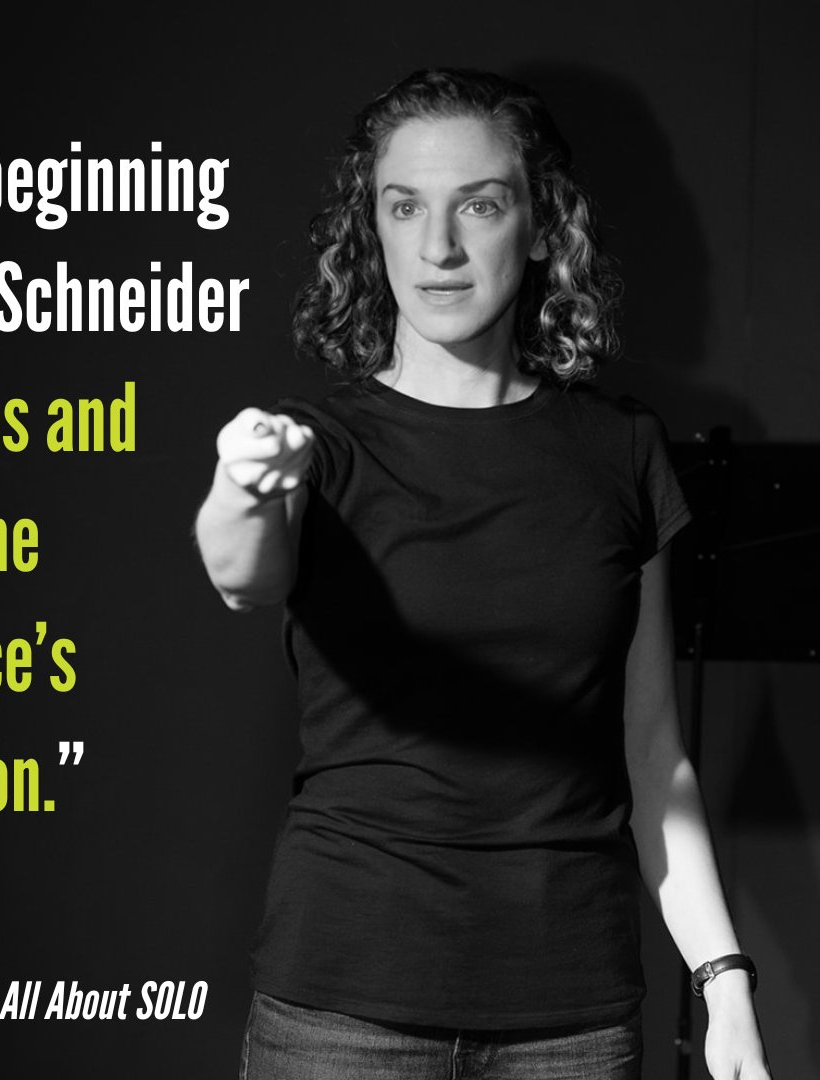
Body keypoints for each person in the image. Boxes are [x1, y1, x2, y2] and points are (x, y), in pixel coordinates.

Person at [195, 68, 770, 1080]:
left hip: (573, 1023)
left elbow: (651, 752)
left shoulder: (622, 453)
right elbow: (242, 574)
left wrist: (725, 985)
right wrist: (244, 484)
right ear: (369, 228)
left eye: (480, 205)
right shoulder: (317, 447)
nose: (438, 248)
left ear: (542, 225)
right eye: (403, 206)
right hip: (345, 1014)